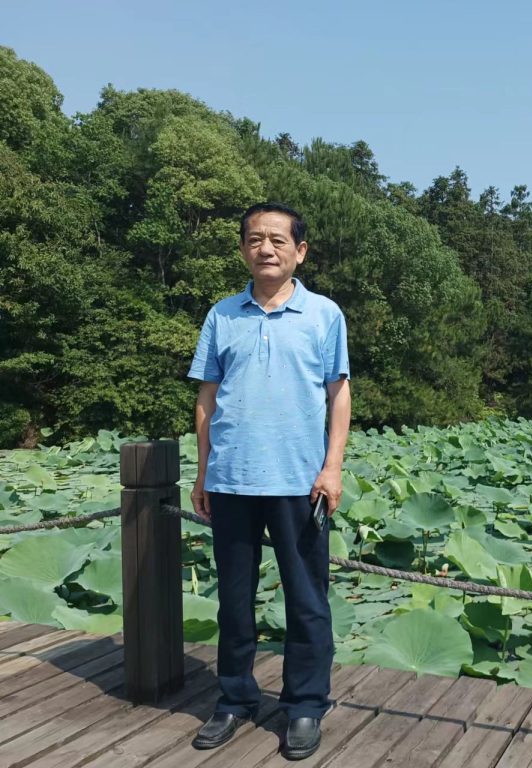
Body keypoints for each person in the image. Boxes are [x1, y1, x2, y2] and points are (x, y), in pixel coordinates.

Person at [187, 202, 350, 761]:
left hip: (300, 481)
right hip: (231, 477)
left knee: (307, 600)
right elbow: (206, 399)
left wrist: (333, 466)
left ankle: (306, 703)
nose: (267, 248)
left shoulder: (324, 314)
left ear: (299, 251)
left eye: (278, 240)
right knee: (233, 599)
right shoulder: (222, 315)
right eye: (255, 239)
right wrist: (203, 469)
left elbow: (338, 393)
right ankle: (235, 698)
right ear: (243, 250)